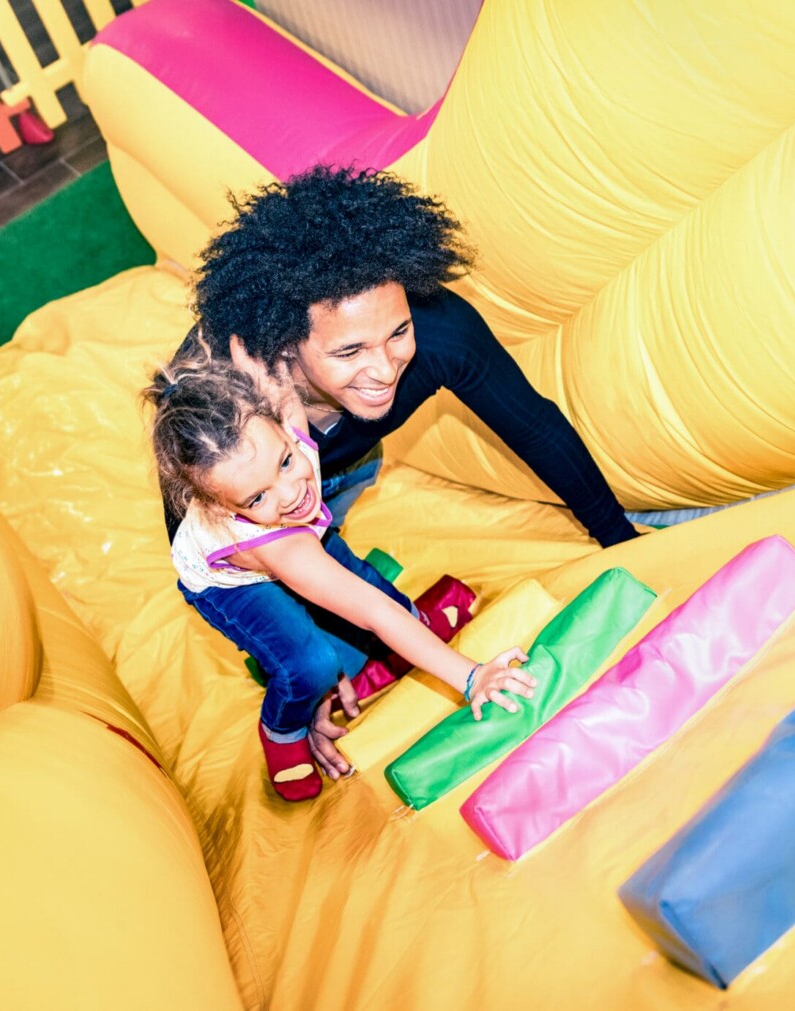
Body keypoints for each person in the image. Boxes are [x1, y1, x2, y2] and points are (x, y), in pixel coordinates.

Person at [145, 339, 537, 802]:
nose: (290, 493)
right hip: (233, 583)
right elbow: (369, 610)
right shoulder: (283, 543)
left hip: (296, 535)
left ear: (278, 426)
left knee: (382, 605)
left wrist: (266, 367)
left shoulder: (280, 436)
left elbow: (281, 393)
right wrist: (471, 677)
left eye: (287, 462)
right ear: (217, 506)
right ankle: (285, 727)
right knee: (311, 663)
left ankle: (393, 647)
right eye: (256, 498)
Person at [175, 164, 640, 551]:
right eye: (350, 350)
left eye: (398, 332)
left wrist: (620, 539)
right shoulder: (215, 396)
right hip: (248, 498)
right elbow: (193, 535)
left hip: (349, 463)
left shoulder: (442, 333)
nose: (384, 369)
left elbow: (538, 430)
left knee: (330, 543)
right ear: (284, 345)